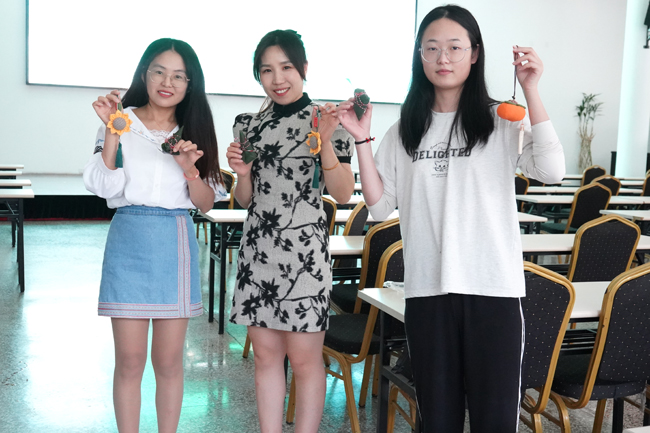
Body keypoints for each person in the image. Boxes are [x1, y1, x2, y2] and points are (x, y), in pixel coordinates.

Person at [338, 5, 565, 433]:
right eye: (432, 48)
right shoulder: (405, 129)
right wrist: (362, 140)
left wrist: (531, 89)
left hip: (493, 292)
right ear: (420, 56)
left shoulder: (502, 120)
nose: (443, 58)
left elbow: (552, 171)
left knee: (495, 422)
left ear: (474, 54)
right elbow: (379, 207)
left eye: (455, 47)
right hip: (428, 293)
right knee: (437, 421)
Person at [83, 38, 225, 433]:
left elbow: (206, 203)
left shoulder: (195, 130)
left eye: (179, 76)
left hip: (174, 241)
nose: (167, 82)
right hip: (128, 238)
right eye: (159, 71)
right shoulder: (120, 120)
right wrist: (113, 132)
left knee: (168, 362)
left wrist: (189, 168)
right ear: (144, 74)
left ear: (190, 84)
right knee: (129, 361)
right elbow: (104, 186)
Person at [226, 29, 355, 433]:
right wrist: (242, 173)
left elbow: (343, 192)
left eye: (286, 67)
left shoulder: (328, 119)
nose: (277, 78)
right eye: (267, 70)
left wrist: (326, 142)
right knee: (266, 358)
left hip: (304, 256)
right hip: (259, 253)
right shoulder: (249, 125)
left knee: (304, 361)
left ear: (303, 68)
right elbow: (245, 199)